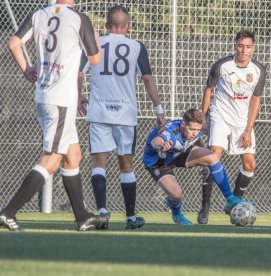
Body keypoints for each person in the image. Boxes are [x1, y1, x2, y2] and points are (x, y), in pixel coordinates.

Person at [1, 0, 103, 231]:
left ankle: (82, 217)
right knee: (52, 160)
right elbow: (95, 60)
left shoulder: (38, 14)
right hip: (61, 100)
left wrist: (27, 69)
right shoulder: (79, 19)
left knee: (73, 155)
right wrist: (94, 41)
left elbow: (13, 44)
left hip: (44, 95)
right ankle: (8, 212)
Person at [79, 5, 166, 230]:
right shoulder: (136, 46)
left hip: (98, 112)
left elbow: (79, 74)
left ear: (107, 26)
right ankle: (130, 217)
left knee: (99, 164)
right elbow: (147, 79)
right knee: (126, 165)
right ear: (128, 26)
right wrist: (158, 109)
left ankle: (102, 214)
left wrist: (79, 97)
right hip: (125, 114)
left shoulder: (95, 43)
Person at [198, 30, 266, 224]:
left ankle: (233, 202)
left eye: (247, 47)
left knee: (249, 164)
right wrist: (204, 118)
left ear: (253, 48)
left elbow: (255, 102)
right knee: (213, 157)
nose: (243, 51)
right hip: (220, 116)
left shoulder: (259, 70)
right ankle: (205, 207)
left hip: (242, 121)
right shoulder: (221, 66)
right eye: (240, 46)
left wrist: (248, 129)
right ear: (235, 46)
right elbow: (208, 90)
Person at [143, 109, 250, 225]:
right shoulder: (171, 132)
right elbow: (155, 141)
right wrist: (161, 145)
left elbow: (197, 139)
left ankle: (229, 198)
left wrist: (205, 163)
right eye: (192, 129)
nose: (194, 133)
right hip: (158, 162)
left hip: (177, 154)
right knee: (176, 195)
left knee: (212, 157)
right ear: (183, 125)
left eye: (197, 129)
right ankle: (177, 214)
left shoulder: (194, 131)